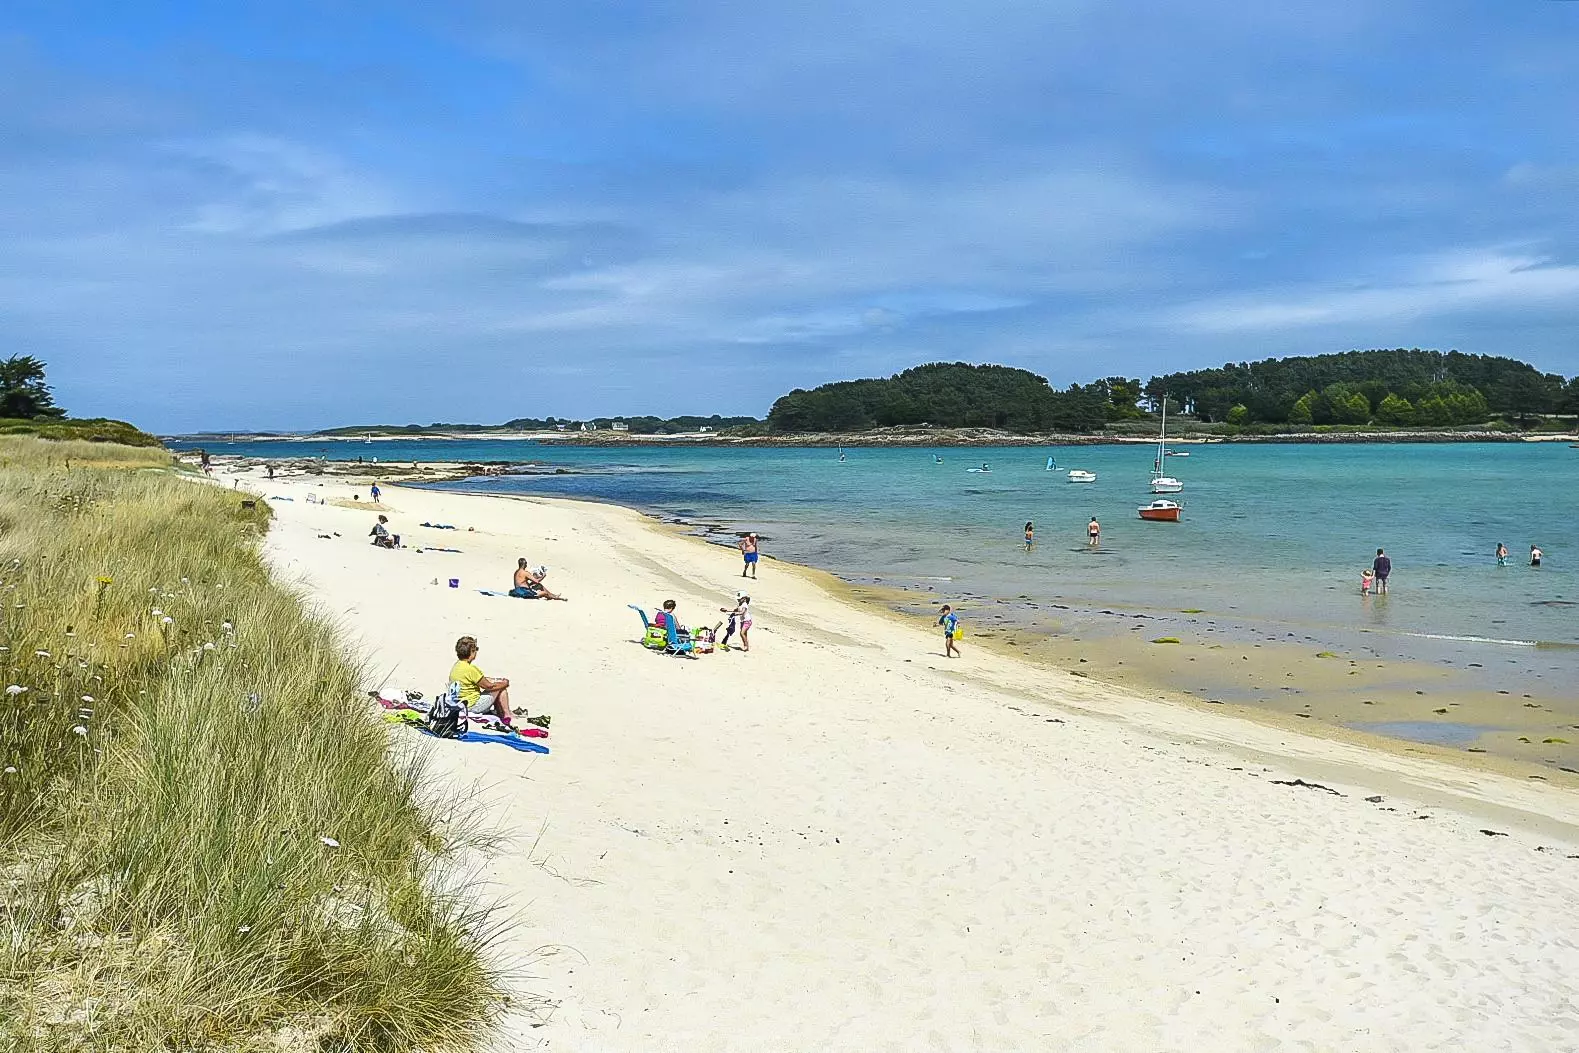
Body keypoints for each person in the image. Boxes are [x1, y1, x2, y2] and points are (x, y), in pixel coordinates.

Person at [448, 636, 513, 721]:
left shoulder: (457, 666)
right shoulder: (471, 669)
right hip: (473, 706)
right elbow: (488, 686)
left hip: (460, 704)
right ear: (472, 652)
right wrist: (505, 683)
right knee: (501, 687)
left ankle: (501, 712)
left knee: (497, 683)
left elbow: (476, 679)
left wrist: (494, 681)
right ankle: (507, 714)